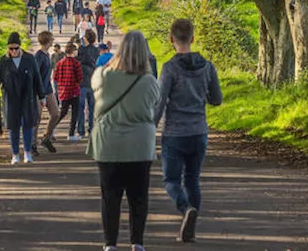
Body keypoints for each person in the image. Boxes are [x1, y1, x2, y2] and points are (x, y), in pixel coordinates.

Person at [87, 30, 161, 251]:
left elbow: (93, 85)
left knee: (110, 196)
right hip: (140, 145)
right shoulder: (149, 81)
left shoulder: (103, 75)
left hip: (108, 144)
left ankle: (110, 243)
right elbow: (155, 104)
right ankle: (137, 242)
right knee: (139, 196)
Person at [155, 18, 223, 243]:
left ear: (171, 39)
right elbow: (217, 100)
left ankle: (185, 210)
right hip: (199, 131)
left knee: (171, 180)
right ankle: (191, 227)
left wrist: (150, 128)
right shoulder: (208, 66)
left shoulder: (169, 68)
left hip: (174, 132)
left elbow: (160, 101)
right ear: (193, 38)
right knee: (192, 179)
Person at [0, 32, 46, 165]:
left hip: (28, 97)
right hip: (10, 97)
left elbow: (37, 78)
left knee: (28, 125)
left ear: (20, 47)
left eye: (16, 48)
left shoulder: (29, 59)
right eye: (11, 49)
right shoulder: (4, 61)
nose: (13, 51)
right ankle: (15, 154)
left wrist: (42, 96)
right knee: (13, 126)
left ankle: (27, 153)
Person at [34, 31, 62, 154]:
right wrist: (40, 94)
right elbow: (36, 76)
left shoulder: (47, 55)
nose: (53, 41)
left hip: (48, 89)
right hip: (38, 91)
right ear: (47, 41)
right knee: (36, 119)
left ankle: (46, 137)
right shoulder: (38, 56)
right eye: (51, 39)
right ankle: (32, 144)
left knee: (56, 114)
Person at [54, 43, 85, 141]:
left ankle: (51, 129)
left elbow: (55, 77)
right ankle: (71, 134)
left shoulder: (60, 63)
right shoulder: (76, 63)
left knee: (63, 112)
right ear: (73, 51)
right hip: (74, 91)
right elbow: (79, 78)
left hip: (63, 91)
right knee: (75, 113)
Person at [77, 29, 101, 136]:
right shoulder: (96, 51)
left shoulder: (81, 50)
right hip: (93, 80)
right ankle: (91, 128)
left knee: (81, 107)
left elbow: (78, 61)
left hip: (82, 81)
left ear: (86, 38)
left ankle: (81, 130)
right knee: (92, 107)